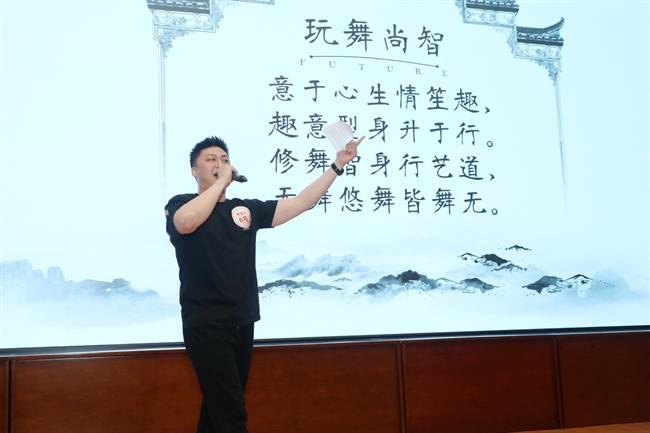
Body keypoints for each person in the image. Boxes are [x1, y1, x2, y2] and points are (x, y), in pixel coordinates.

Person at [164, 134, 363, 433]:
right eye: (211, 160)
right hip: (206, 325)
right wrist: (221, 182)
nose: (220, 163)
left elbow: (302, 202)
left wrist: (337, 165)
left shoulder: (246, 210)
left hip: (242, 321)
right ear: (194, 170)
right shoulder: (181, 204)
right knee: (231, 415)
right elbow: (185, 223)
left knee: (218, 411)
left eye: (225, 159)